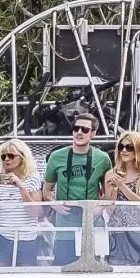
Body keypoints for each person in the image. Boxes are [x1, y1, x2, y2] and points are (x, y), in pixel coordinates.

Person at [43, 112, 113, 264]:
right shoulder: (56, 156)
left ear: (93, 134)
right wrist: (55, 204)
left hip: (92, 222)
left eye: (85, 130)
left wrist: (99, 208)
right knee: (63, 268)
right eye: (76, 128)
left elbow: (109, 193)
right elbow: (46, 190)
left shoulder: (103, 158)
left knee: (94, 270)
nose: (79, 132)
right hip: (65, 223)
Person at [0, 139, 43, 266]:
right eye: (3, 156)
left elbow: (36, 212)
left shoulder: (33, 178)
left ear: (22, 157)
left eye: (11, 155)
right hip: (1, 235)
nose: (6, 159)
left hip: (26, 236)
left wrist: (20, 187)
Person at [102, 131, 140, 265]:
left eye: (129, 147)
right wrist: (114, 188)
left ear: (138, 149)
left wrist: (121, 186)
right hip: (117, 231)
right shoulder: (111, 174)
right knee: (116, 271)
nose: (124, 150)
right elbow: (110, 208)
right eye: (121, 147)